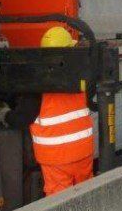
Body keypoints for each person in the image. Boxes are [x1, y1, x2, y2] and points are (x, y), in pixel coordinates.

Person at [30, 26, 95, 195]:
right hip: (83, 153)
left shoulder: (38, 86)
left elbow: (21, 117)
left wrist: (4, 114)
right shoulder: (80, 79)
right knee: (87, 197)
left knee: (59, 204)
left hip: (56, 158)